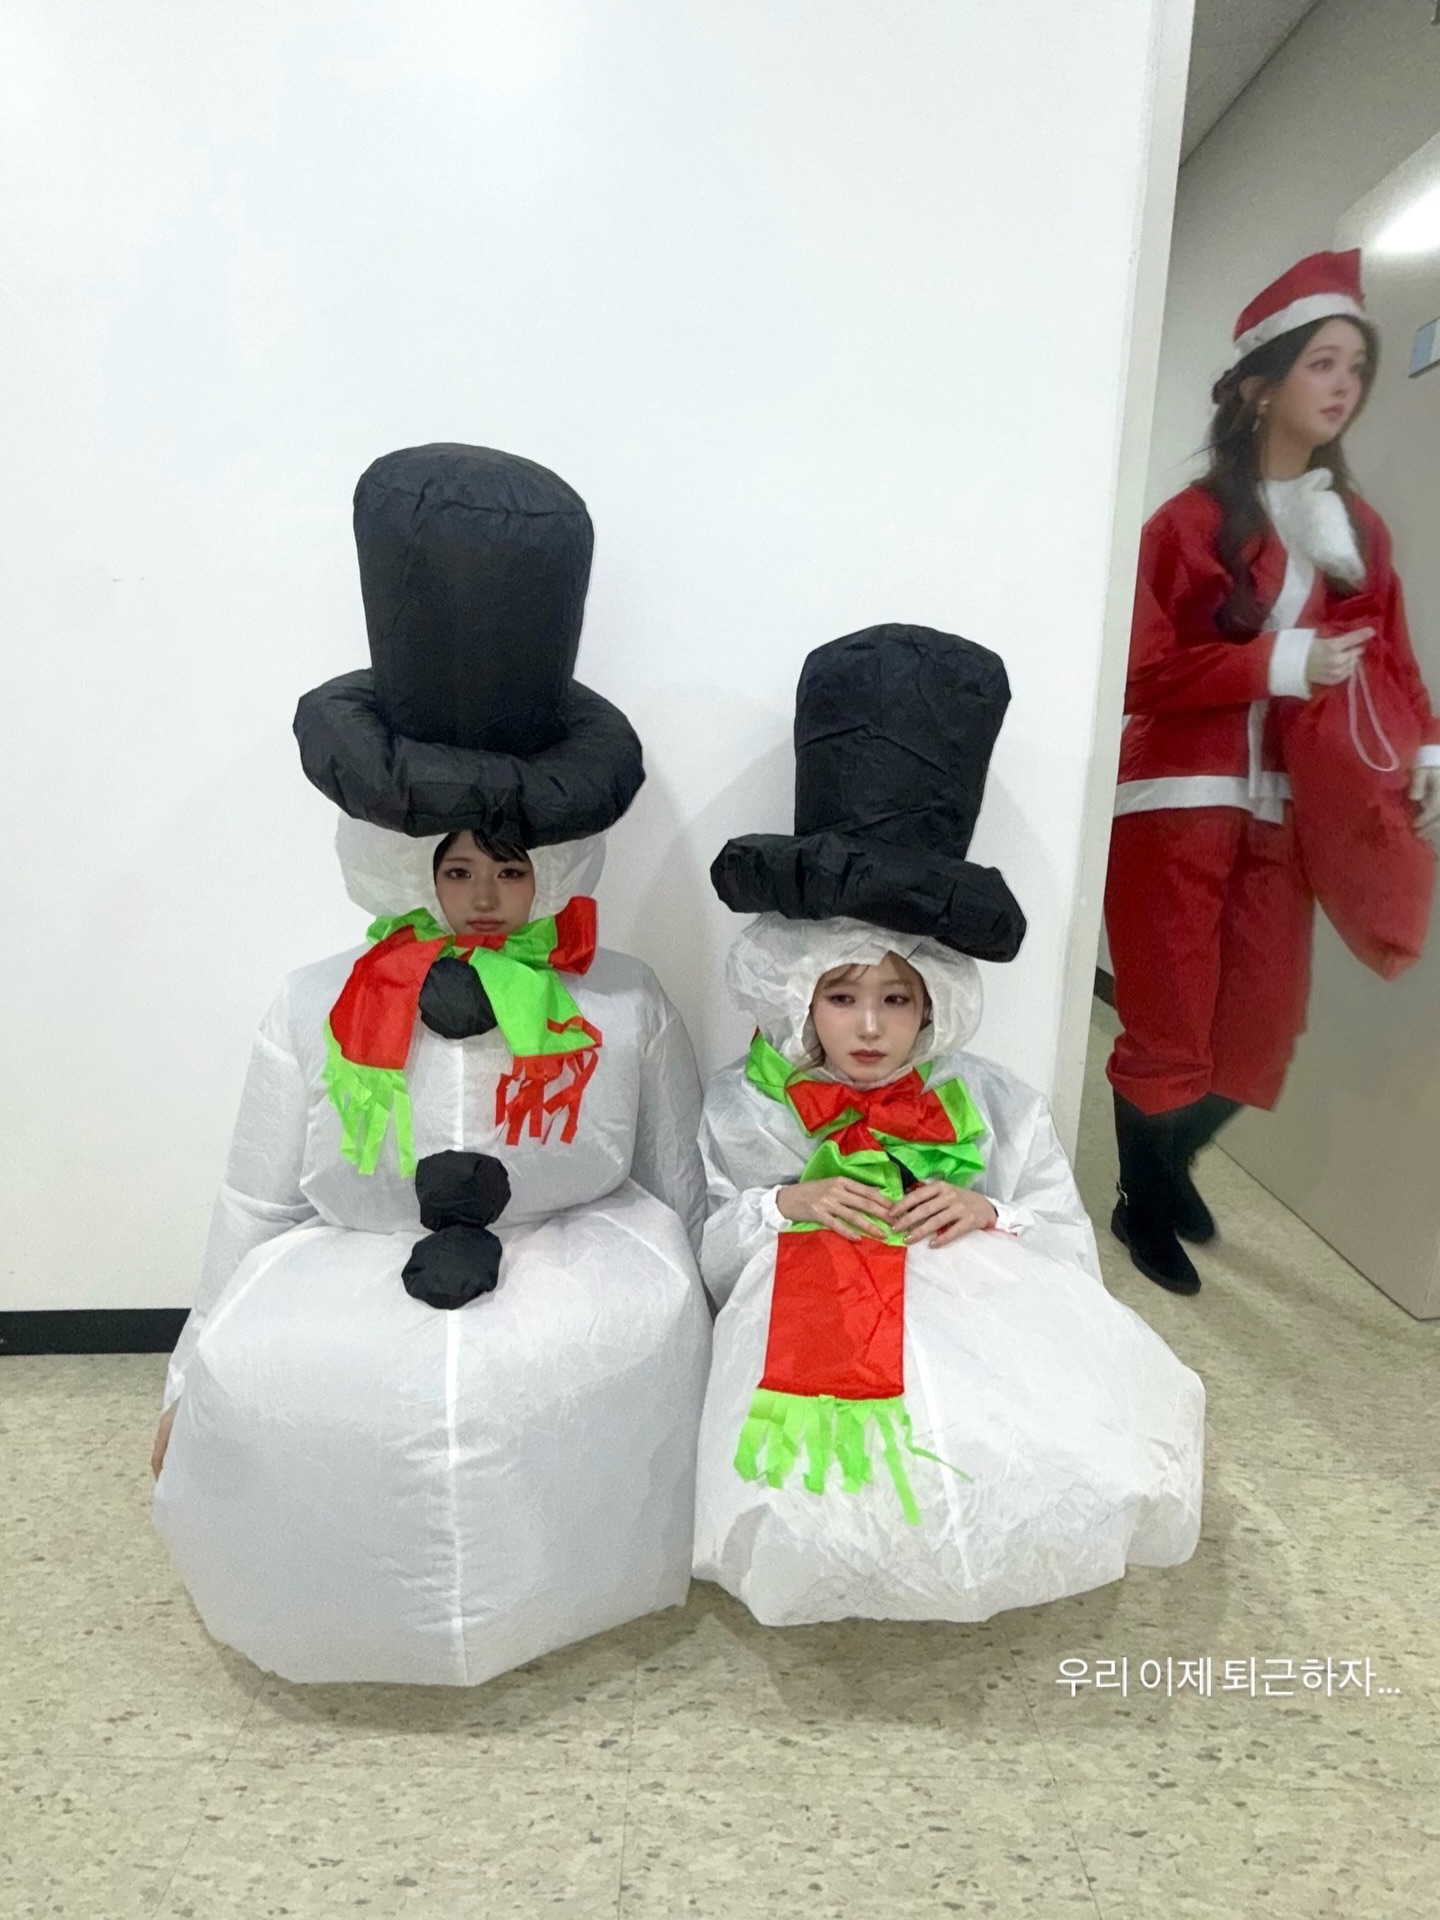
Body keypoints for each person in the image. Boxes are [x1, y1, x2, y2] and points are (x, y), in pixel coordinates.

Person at [152, 444, 711, 1686]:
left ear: (553, 867)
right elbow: (255, 1195)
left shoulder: (620, 1001)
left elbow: (678, 1178)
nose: (485, 896)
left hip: (571, 1256)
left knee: (585, 1366)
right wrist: (189, 1368)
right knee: (300, 1387)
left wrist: (718, 1348)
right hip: (356, 1259)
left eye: (511, 868)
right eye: (455, 868)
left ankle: (569, 1588)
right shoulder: (318, 1004)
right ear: (404, 865)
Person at [693, 624, 1204, 1626]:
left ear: (936, 1004)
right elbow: (706, 1250)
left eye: (897, 999)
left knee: (1009, 1441)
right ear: (796, 994)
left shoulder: (993, 1102)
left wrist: (989, 1213)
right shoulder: (748, 1102)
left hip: (974, 1304)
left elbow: (1065, 1243)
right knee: (816, 1489)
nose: (870, 1028)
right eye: (842, 997)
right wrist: (786, 1203)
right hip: (804, 1306)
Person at [1106, 250, 1440, 1296]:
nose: (1344, 385)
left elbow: (1392, 655)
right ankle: (1142, 1197)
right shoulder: (1186, 525)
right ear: (1260, 383)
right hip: (1177, 803)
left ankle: (1171, 1164)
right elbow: (1141, 672)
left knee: (1258, 1033)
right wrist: (1280, 663)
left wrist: (1427, 745)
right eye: (1321, 362)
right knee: (1169, 1021)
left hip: (1289, 810)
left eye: (1357, 366)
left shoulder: (1356, 532)